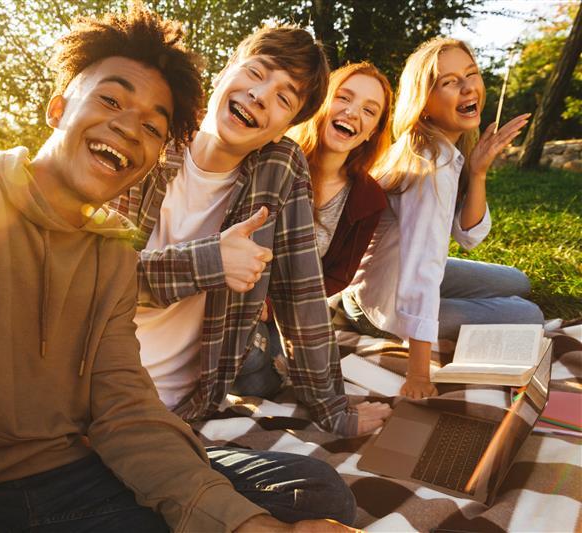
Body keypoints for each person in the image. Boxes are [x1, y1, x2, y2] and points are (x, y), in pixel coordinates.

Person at [0, 5, 351, 532]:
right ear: (58, 107)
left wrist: (251, 525)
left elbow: (125, 413)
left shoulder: (107, 257)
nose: (130, 127)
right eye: (110, 101)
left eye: (153, 126)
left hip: (78, 479)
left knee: (311, 492)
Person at [111, 25, 391, 444]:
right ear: (226, 71)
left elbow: (302, 295)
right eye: (257, 74)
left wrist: (333, 410)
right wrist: (210, 261)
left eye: (284, 98)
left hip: (174, 407)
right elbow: (87, 281)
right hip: (91, 388)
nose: (261, 96)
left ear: (286, 126)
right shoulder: (148, 134)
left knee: (322, 494)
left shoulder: (278, 168)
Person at [342, 37, 544, 400]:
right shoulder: (428, 165)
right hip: (383, 303)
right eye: (449, 82)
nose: (469, 88)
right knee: (527, 314)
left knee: (517, 280)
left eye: (471, 74)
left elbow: (468, 237)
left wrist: (479, 173)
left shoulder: (444, 148)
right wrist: (418, 374)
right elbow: (422, 271)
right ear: (424, 104)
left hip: (394, 274)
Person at [287, 62, 392, 297]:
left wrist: (271, 310)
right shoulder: (275, 159)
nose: (352, 113)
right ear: (322, 100)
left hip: (290, 310)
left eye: (369, 110)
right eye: (344, 98)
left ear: (372, 132)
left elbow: (336, 278)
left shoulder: (369, 199)